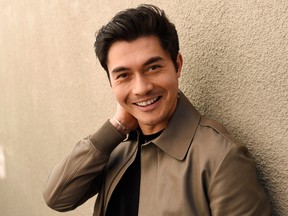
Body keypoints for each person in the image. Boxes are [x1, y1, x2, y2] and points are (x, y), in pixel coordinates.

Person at [43, 4, 271, 216]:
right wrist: (116, 126)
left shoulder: (221, 157)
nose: (141, 88)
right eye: (123, 75)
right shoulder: (116, 146)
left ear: (177, 65)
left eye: (153, 67)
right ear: (111, 83)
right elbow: (58, 198)